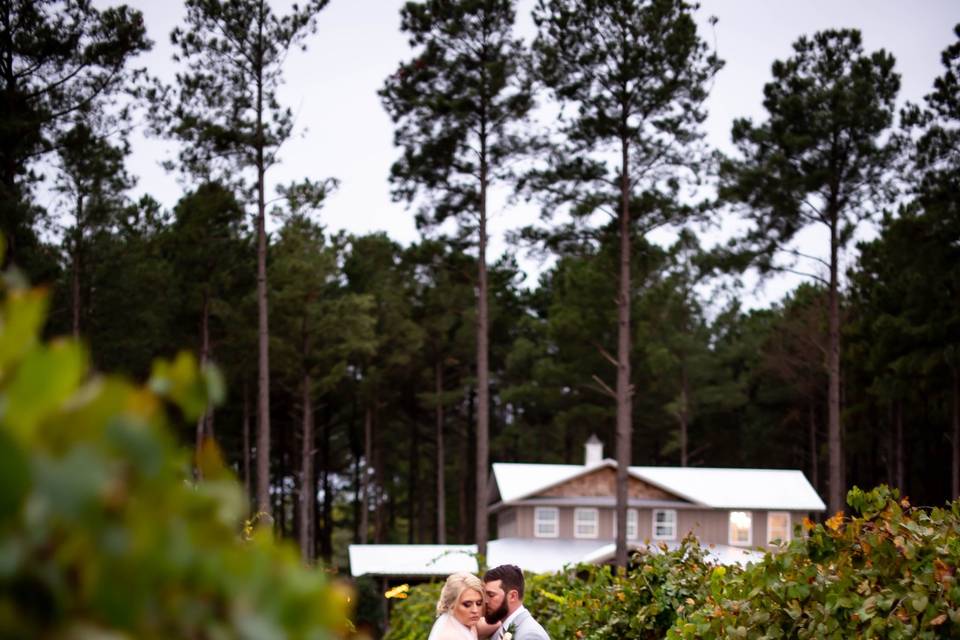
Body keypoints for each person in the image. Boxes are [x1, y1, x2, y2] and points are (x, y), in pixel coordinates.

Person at [479, 564, 549, 640]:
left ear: (512, 596)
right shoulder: (502, 630)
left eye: (491, 595)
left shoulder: (530, 635)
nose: (485, 600)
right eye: (485, 594)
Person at [428, 571, 486, 640]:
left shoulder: (459, 619)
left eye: (479, 603)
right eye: (467, 605)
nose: (475, 610)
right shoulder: (450, 635)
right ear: (451, 604)